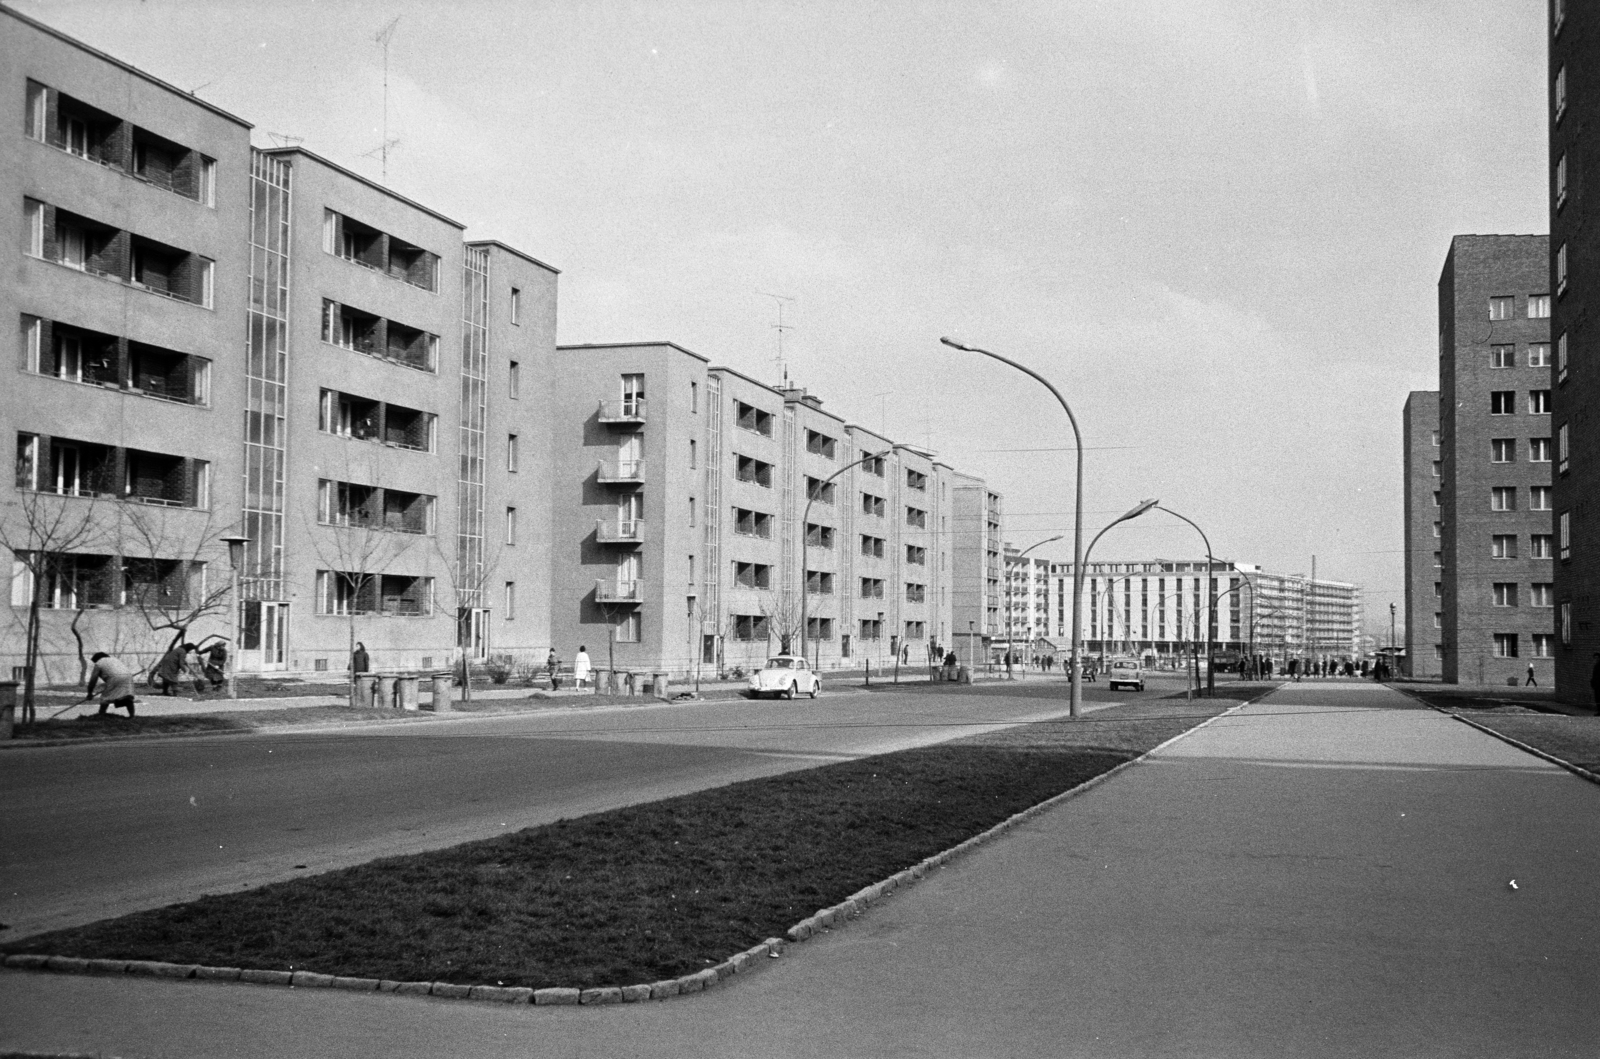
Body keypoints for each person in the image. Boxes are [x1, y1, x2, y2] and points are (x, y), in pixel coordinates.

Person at [85, 651, 136, 717]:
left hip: (115, 678)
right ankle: (132, 716)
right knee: (127, 696)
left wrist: (89, 693)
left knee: (105, 697)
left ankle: (101, 715)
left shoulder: (99, 663)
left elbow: (93, 680)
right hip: (128, 677)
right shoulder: (114, 659)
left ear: (96, 659)